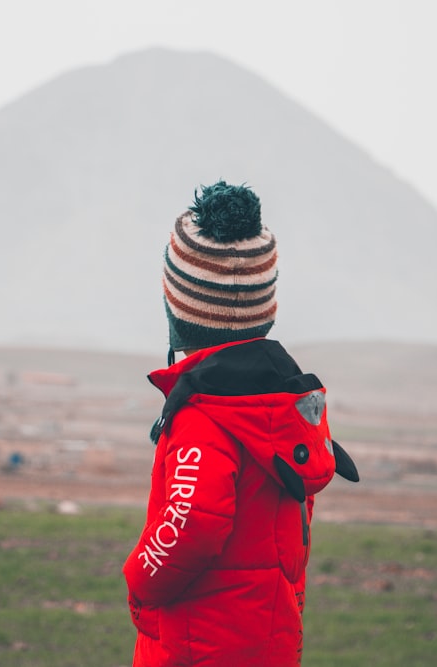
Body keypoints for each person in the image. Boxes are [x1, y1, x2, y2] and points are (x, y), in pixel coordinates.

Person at [123, 181, 359, 666]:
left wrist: (139, 579)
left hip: (194, 648)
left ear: (180, 312)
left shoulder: (207, 416)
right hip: (267, 643)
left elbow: (191, 524)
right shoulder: (282, 408)